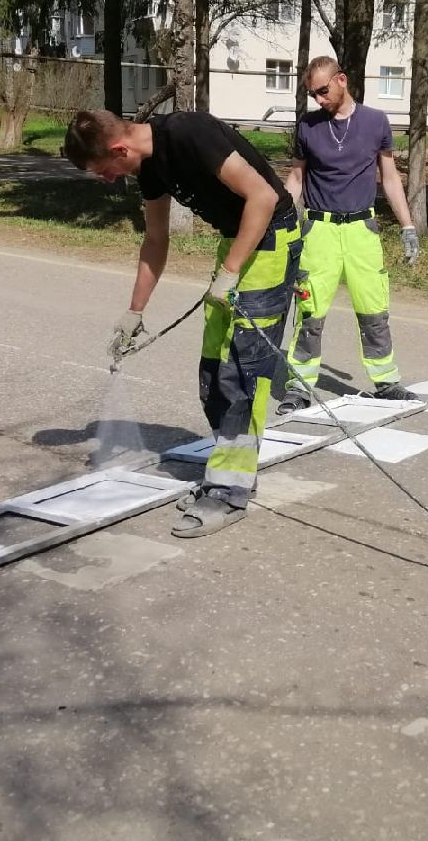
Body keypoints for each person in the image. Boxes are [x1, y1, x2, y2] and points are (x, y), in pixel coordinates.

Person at [63, 108, 301, 538]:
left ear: (120, 149)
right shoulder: (149, 167)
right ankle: (231, 471)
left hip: (270, 240)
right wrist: (135, 311)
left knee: (242, 374)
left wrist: (230, 271)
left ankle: (228, 491)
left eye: (105, 170)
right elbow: (156, 238)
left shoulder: (189, 134)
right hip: (238, 241)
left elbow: (264, 198)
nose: (109, 180)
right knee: (214, 371)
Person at [278, 56, 420, 415]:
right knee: (309, 312)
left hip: (362, 231)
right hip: (318, 231)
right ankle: (299, 386)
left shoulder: (376, 122)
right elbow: (296, 178)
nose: (319, 99)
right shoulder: (308, 126)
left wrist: (407, 226)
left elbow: (390, 178)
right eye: (313, 94)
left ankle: (386, 383)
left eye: (323, 91)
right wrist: (278, 223)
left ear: (341, 79)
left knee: (374, 310)